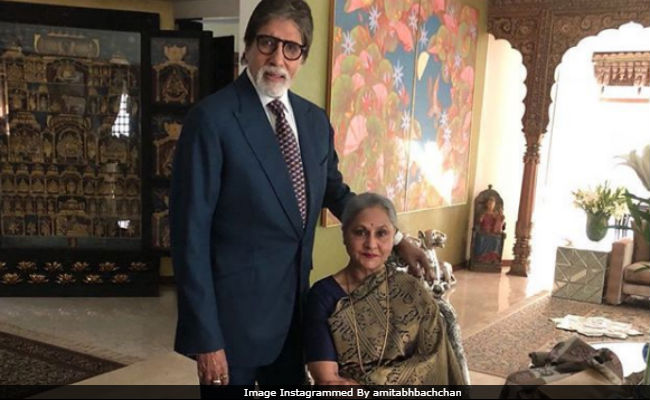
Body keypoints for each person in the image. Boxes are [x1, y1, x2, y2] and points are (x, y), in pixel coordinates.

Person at [169, 0, 432, 387]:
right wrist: (206, 339)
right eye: (267, 43)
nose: (277, 57)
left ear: (302, 57)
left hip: (295, 318)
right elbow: (189, 237)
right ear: (248, 45)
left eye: (291, 47)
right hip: (232, 327)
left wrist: (398, 239)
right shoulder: (212, 120)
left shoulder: (312, 121)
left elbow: (336, 192)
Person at [304, 193, 467, 385]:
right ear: (344, 235)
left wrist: (369, 383)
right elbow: (327, 380)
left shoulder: (413, 292)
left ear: (393, 237)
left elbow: (432, 361)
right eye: (360, 232)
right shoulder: (323, 296)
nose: (371, 244)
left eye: (381, 233)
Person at [474, 195, 504, 263]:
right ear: (487, 204)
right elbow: (479, 222)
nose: (491, 205)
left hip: (493, 231)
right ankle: (482, 257)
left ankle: (493, 258)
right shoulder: (483, 213)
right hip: (484, 231)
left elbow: (499, 222)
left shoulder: (495, 214)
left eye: (492, 204)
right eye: (489, 204)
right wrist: (481, 219)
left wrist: (499, 217)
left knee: (496, 239)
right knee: (482, 238)